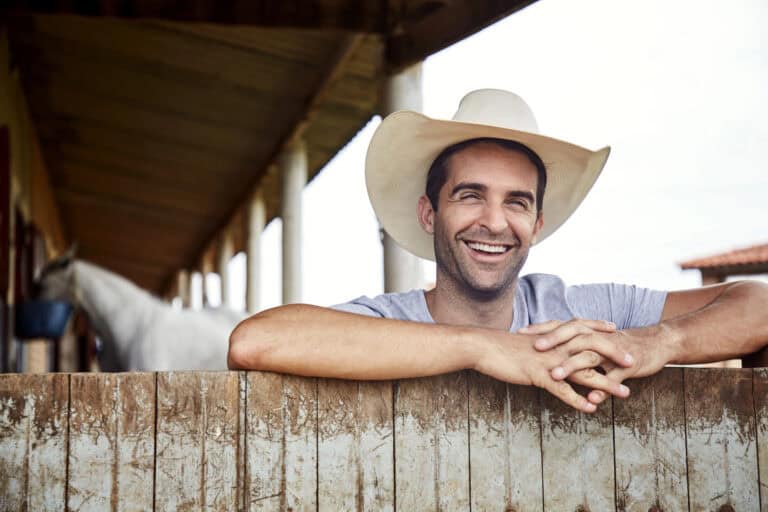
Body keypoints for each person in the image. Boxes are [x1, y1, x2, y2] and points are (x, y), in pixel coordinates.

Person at [228, 89, 768, 413]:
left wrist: (657, 341)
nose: (494, 221)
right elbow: (255, 341)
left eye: (516, 203)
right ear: (428, 213)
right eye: (470, 195)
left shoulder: (582, 312)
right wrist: (482, 348)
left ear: (535, 223)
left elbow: (758, 303)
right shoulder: (386, 323)